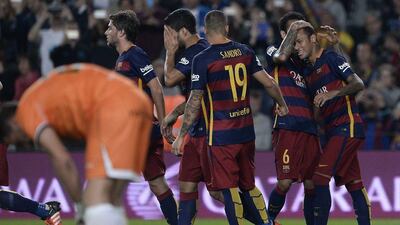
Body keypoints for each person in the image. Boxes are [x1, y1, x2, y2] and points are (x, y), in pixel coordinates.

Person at [172, 10, 288, 225]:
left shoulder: (202, 59)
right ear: (226, 28)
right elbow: (269, 82)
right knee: (248, 186)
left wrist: (181, 136)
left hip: (221, 137)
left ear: (204, 31)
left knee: (229, 190)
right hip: (246, 133)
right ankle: (267, 223)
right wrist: (282, 104)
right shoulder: (245, 51)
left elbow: (194, 100)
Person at [0, 63, 153, 225]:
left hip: (114, 108)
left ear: (12, 122)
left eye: (14, 139)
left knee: (96, 202)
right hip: (137, 101)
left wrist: (80, 206)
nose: (23, 141)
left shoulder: (27, 113)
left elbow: (62, 159)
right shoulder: (36, 97)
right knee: (111, 201)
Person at [104, 10, 177, 225]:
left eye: (110, 27)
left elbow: (156, 87)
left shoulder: (135, 55)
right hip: (141, 129)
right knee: (156, 183)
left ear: (122, 32)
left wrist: (164, 121)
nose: (106, 32)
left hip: (138, 129)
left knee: (111, 182)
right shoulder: (122, 59)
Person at [294, 25, 371, 225]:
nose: (297, 47)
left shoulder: (330, 58)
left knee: (319, 179)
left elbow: (358, 83)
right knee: (354, 184)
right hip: (332, 131)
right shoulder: (308, 72)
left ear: (313, 39)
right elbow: (319, 110)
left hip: (347, 126)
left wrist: (332, 94)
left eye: (300, 41)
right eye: (294, 44)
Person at [162, 8, 222, 224]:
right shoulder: (202, 49)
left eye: (170, 34)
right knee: (187, 185)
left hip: (209, 132)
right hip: (196, 131)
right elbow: (194, 96)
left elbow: (169, 79)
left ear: (184, 32)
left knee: (217, 192)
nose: (168, 39)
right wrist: (174, 113)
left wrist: (170, 51)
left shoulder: (196, 52)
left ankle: (263, 219)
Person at [264, 12, 321, 225]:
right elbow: (279, 56)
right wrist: (295, 28)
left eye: (300, 31)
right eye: (292, 31)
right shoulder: (273, 51)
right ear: (283, 34)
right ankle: (267, 221)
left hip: (309, 129)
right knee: (285, 182)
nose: (297, 36)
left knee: (312, 184)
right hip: (287, 126)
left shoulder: (306, 64)